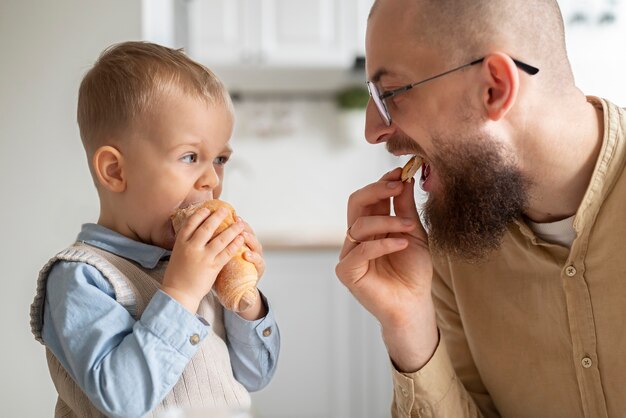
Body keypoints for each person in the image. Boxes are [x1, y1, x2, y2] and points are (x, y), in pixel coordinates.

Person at [335, 0, 626, 416]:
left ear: (495, 88)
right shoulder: (454, 251)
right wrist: (408, 326)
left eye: (391, 94)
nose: (373, 130)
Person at [29, 41, 280, 418]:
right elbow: (122, 401)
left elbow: (254, 374)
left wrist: (244, 302)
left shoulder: (196, 265)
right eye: (190, 157)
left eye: (221, 159)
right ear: (116, 170)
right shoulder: (80, 278)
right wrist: (181, 292)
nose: (212, 178)